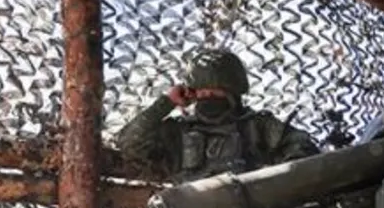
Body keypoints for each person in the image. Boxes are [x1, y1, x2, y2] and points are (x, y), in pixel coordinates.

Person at [116, 49, 320, 181]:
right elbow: (129, 143)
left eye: (216, 92)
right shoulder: (178, 132)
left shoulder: (256, 126)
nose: (208, 97)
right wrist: (167, 102)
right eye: (202, 92)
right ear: (192, 94)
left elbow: (302, 148)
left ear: (233, 92)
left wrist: (272, 180)